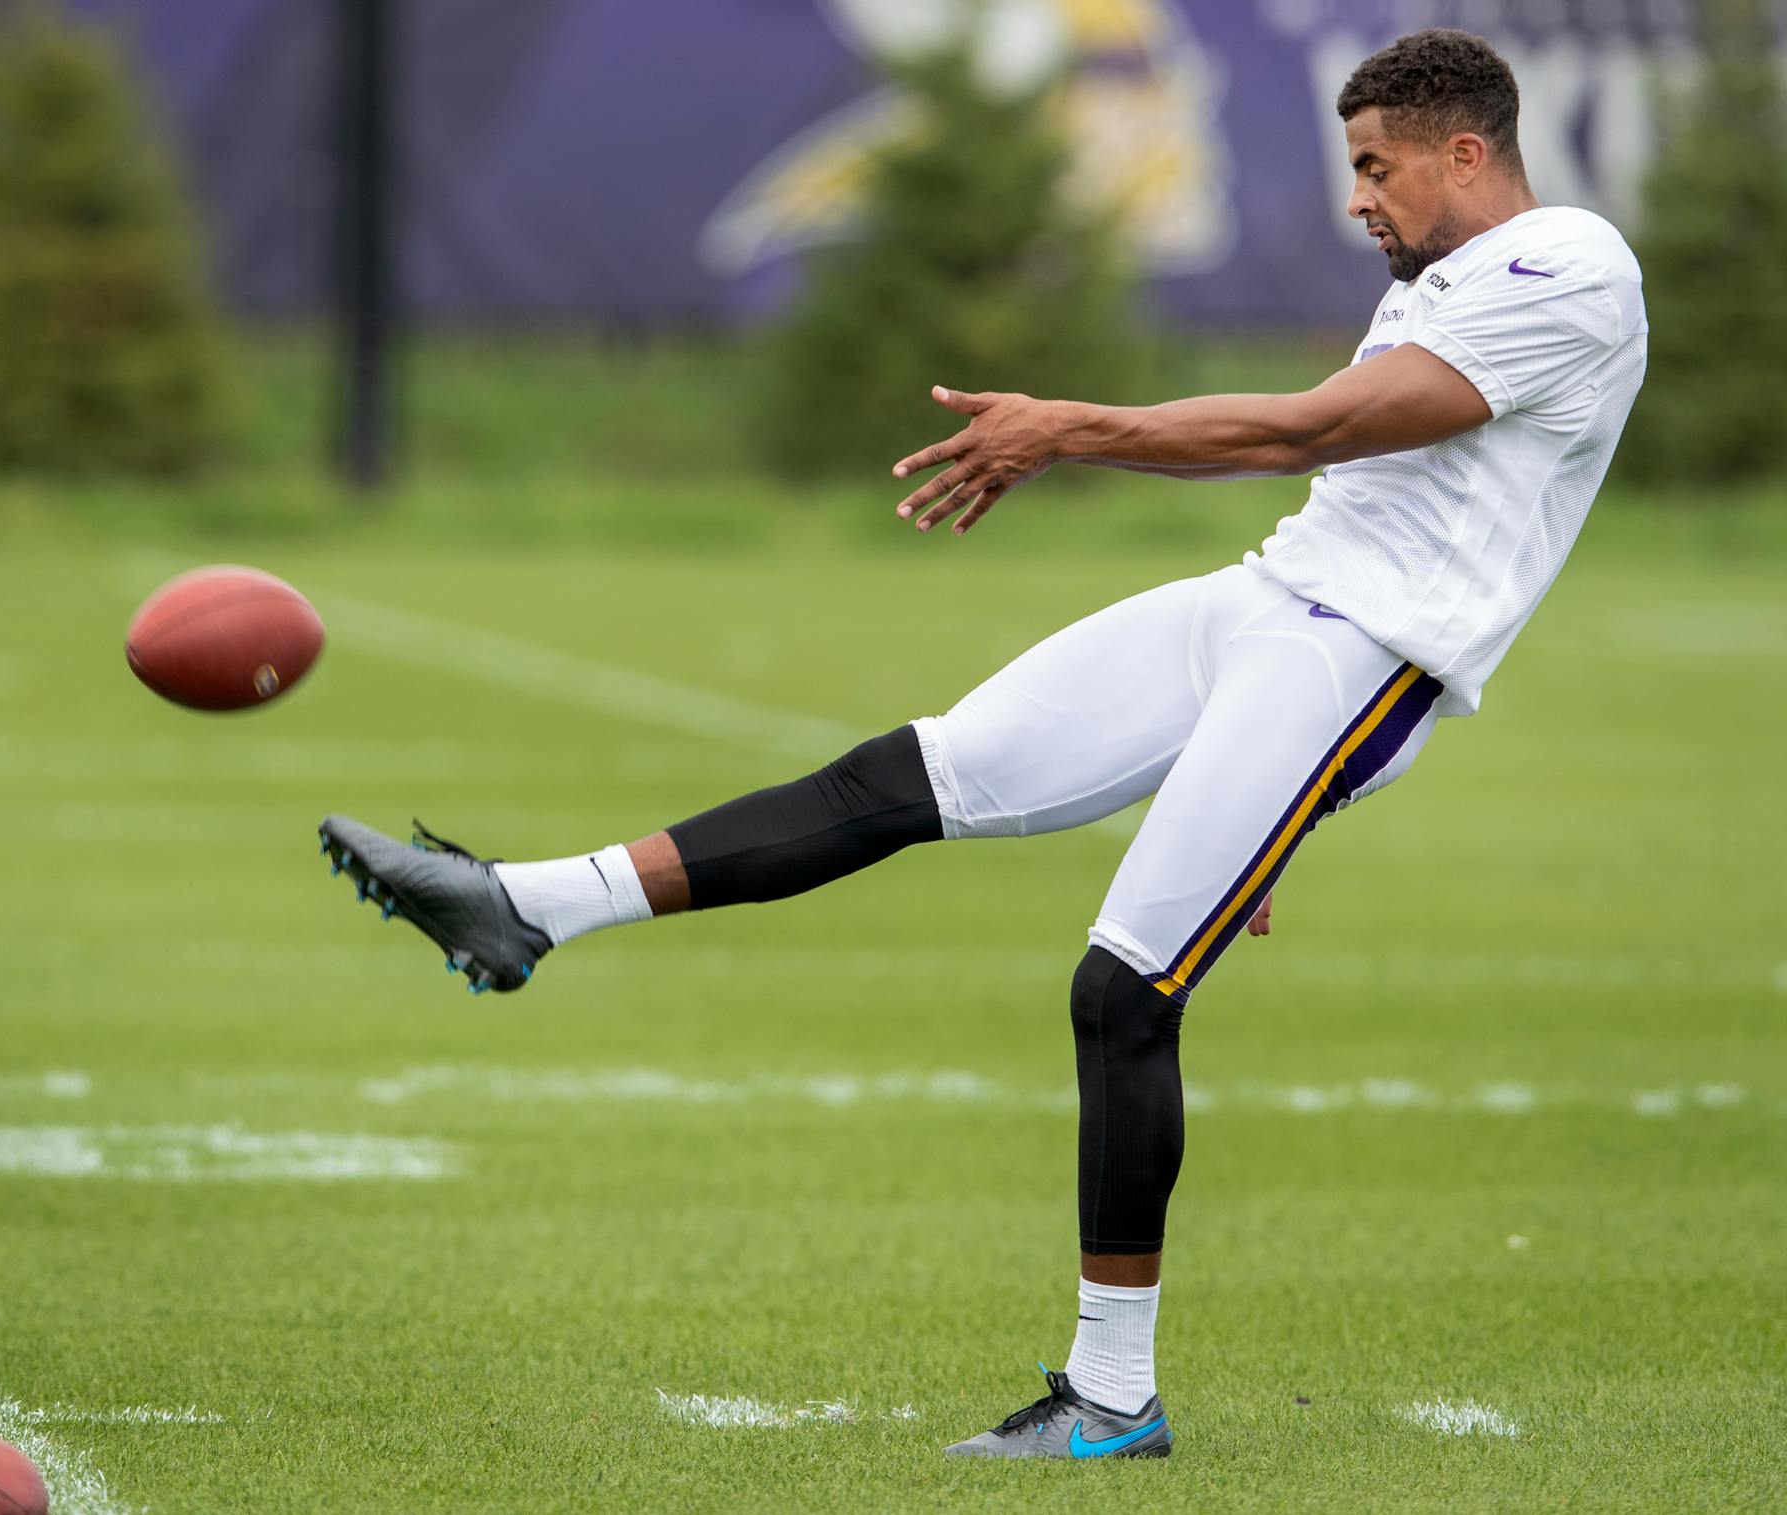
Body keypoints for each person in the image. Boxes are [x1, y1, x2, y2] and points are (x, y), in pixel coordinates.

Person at [317, 29, 1646, 1461]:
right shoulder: (1448, 277)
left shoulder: (1570, 263)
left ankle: (1113, 1399)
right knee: (910, 772)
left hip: (1359, 660)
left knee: (1120, 992)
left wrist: (1076, 426)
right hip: (1265, 611)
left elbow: (1313, 428)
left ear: (1466, 151)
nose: (1358, 201)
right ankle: (527, 908)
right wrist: (1256, 801)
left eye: (1377, 169)